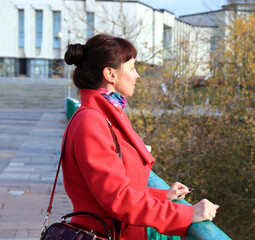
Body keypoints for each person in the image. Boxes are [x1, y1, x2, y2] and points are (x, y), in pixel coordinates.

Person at [62, 33, 219, 240]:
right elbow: (119, 200)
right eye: (132, 68)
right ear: (111, 74)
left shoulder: (105, 114)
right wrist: (189, 213)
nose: (137, 75)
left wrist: (164, 195)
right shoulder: (92, 122)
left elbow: (115, 189)